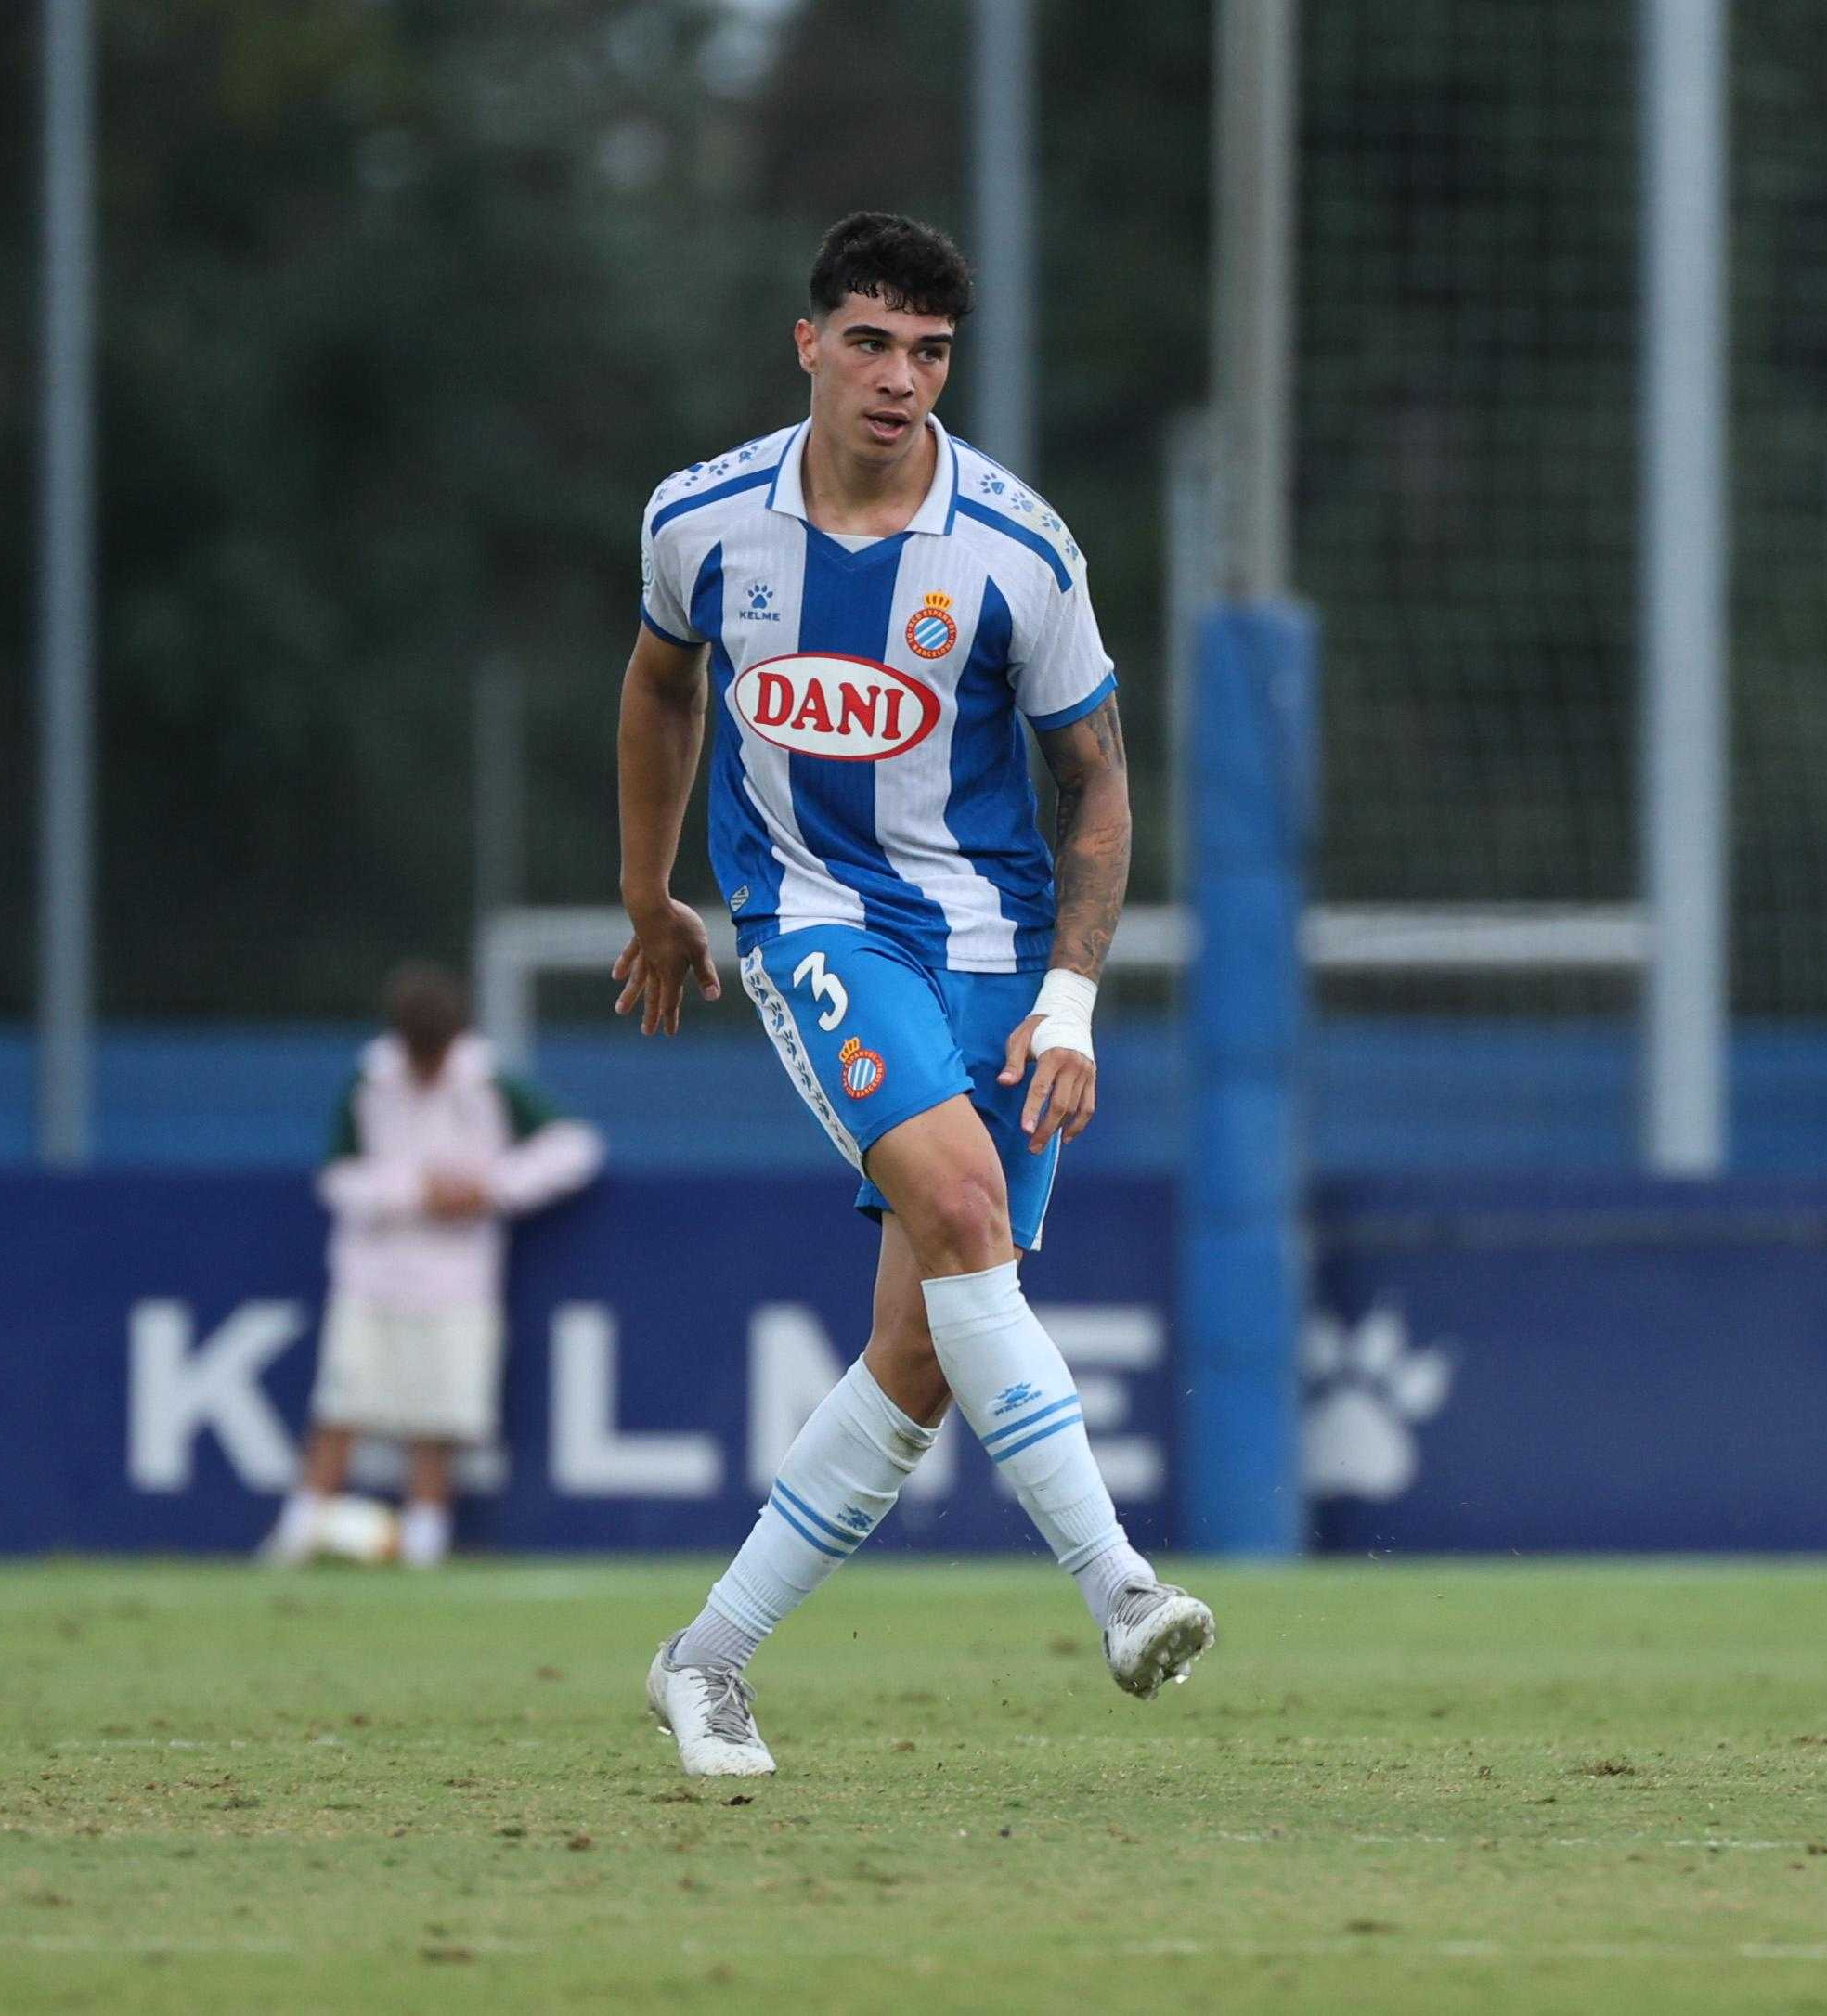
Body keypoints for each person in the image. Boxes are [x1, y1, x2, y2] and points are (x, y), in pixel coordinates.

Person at [615, 211, 1211, 1777]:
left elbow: (1096, 783)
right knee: (959, 1204)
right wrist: (649, 893)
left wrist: (1068, 997)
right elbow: (661, 684)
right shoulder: (701, 522)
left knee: (926, 1345)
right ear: (807, 343)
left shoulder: (1019, 548)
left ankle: (705, 1659)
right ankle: (1119, 1587)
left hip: (994, 946)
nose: (898, 379)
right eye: (870, 343)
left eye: (929, 353)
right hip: (815, 921)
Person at [261, 962, 602, 1570]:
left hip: (457, 1281)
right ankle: (298, 1533)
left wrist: (490, 1188)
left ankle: (424, 1542)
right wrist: (416, 1192)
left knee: (436, 1420)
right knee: (341, 1407)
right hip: (370, 1276)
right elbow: (338, 1179)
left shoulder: (489, 1080)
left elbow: (575, 1148)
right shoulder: (370, 1081)